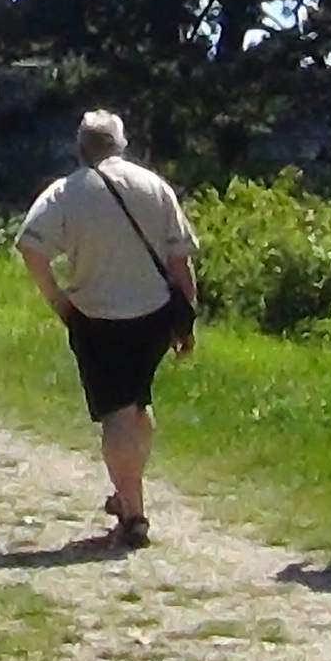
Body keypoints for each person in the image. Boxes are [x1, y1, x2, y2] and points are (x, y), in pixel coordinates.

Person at [15, 110, 199, 546]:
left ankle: (133, 515)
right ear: (122, 145)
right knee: (137, 406)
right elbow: (179, 260)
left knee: (116, 414)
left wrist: (58, 298)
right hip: (154, 314)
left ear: (81, 148)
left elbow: (30, 245)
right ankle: (128, 490)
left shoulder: (66, 192)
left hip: (96, 317)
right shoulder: (154, 186)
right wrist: (187, 317)